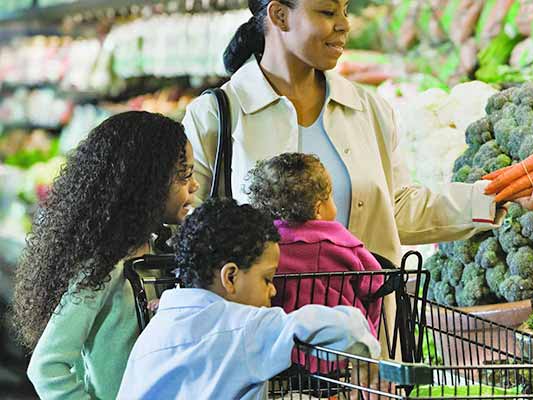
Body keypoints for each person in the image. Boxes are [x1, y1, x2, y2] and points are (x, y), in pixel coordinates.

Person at [183, 0, 533, 268]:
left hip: (365, 340)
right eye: (327, 11)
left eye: (346, 11)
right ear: (280, 16)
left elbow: (397, 209)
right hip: (265, 349)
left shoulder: (367, 109)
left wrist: (499, 198)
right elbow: (189, 234)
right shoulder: (214, 117)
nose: (344, 25)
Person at [13, 111, 200, 399]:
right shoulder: (104, 267)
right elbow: (47, 367)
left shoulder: (162, 250)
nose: (194, 185)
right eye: (183, 175)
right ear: (146, 182)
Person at [117, 198, 380, 399]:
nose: (273, 290)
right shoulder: (244, 327)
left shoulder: (156, 331)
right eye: (267, 279)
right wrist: (364, 351)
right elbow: (339, 326)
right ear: (230, 277)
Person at [248, 152, 384, 333]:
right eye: (331, 196)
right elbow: (375, 284)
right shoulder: (344, 245)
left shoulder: (264, 249)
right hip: (343, 344)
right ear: (318, 208)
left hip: (286, 343)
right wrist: (370, 329)